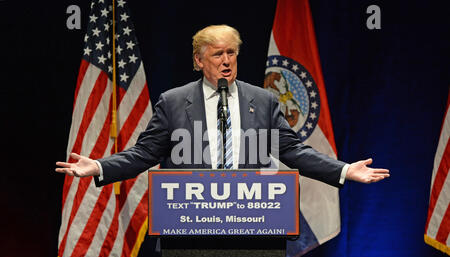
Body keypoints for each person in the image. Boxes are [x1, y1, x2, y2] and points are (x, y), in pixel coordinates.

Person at [56, 24, 389, 188]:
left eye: (232, 53)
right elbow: (144, 154)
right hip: (189, 223)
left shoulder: (264, 100)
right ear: (199, 61)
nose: (227, 61)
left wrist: (344, 170)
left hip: (253, 220)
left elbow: (294, 152)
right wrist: (99, 167)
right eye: (218, 54)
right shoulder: (173, 103)